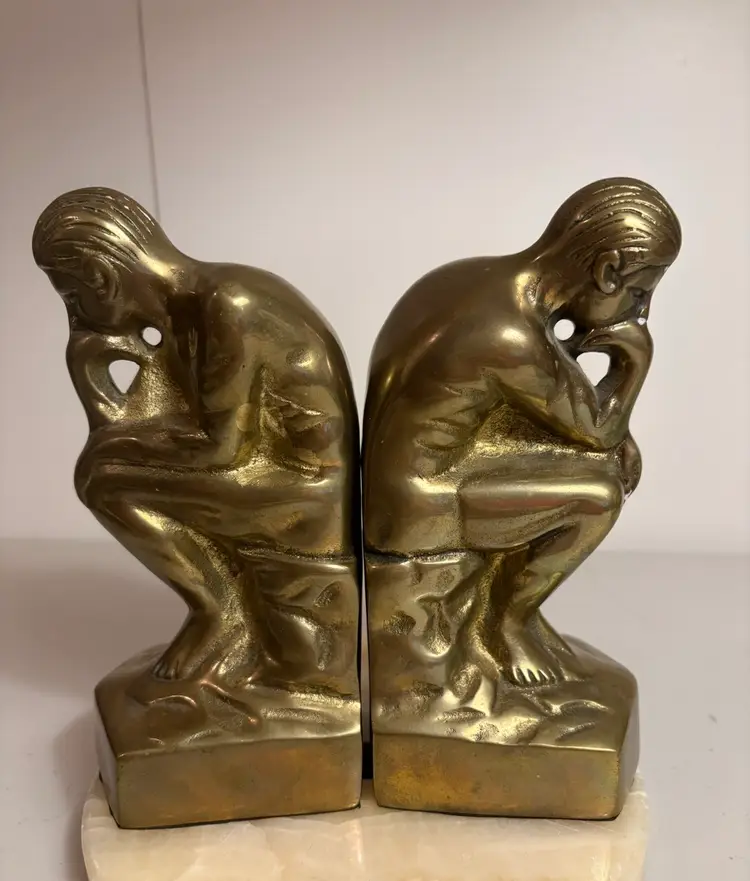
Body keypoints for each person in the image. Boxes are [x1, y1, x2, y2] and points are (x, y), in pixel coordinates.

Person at [34, 188, 359, 697]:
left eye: (72, 298)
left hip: (304, 482)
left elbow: (221, 451)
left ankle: (217, 610)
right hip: (265, 469)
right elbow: (145, 424)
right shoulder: (180, 316)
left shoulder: (226, 304)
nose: (76, 314)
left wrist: (119, 448)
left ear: (100, 276)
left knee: (103, 481)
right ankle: (219, 609)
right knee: (102, 470)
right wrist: (86, 368)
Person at [364, 177, 681, 688]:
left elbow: (567, 420)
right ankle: (508, 621)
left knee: (606, 462)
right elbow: (598, 430)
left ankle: (513, 619)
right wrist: (635, 359)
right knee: (599, 496)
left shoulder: (473, 280)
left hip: (417, 471)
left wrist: (606, 439)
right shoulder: (512, 338)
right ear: (607, 272)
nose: (639, 313)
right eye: (639, 293)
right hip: (423, 496)